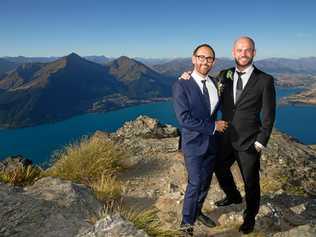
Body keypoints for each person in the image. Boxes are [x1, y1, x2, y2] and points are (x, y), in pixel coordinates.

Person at [180, 36, 276, 234]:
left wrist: (260, 142)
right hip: (224, 137)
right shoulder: (224, 75)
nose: (243, 54)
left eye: (247, 50)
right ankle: (233, 196)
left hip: (250, 141)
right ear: (233, 53)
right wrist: (187, 76)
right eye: (239, 50)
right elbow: (203, 83)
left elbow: (268, 115)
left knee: (251, 182)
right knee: (219, 168)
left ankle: (250, 216)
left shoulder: (265, 80)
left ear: (254, 53)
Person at [172, 44, 228, 236]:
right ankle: (186, 222)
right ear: (194, 59)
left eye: (209, 58)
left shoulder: (215, 82)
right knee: (195, 182)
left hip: (212, 144)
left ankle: (197, 212)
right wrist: (213, 127)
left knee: (205, 182)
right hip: (193, 144)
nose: (205, 61)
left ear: (214, 61)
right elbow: (184, 119)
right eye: (201, 57)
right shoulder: (181, 84)